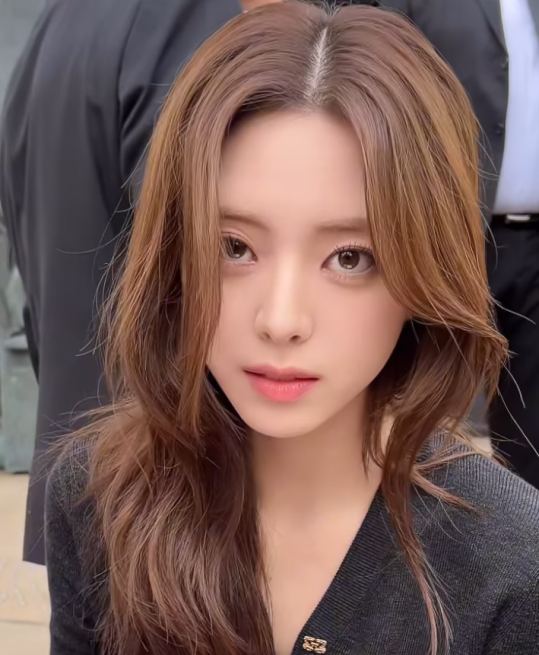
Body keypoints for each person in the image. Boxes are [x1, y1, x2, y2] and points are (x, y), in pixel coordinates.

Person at [45, 4, 539, 655]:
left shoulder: (511, 568)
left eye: (350, 258)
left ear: (422, 270)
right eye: (234, 247)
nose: (280, 320)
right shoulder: (100, 498)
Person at [0, 0, 242, 565]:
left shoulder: (59, 23)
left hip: (83, 475)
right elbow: (198, 259)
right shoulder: (184, 21)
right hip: (173, 492)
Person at [379, 0, 539, 487]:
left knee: (531, 420)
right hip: (449, 235)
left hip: (533, 244)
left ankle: (524, 524)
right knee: (428, 405)